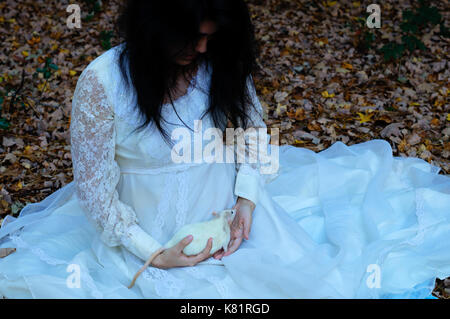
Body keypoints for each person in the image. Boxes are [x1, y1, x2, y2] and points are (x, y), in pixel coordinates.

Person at [0, 0, 449, 299]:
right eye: (191, 36)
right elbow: (96, 193)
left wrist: (247, 201)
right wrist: (153, 253)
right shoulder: (103, 83)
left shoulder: (214, 60)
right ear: (155, 28)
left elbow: (253, 137)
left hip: (227, 220)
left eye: (210, 39)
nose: (200, 48)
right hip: (140, 235)